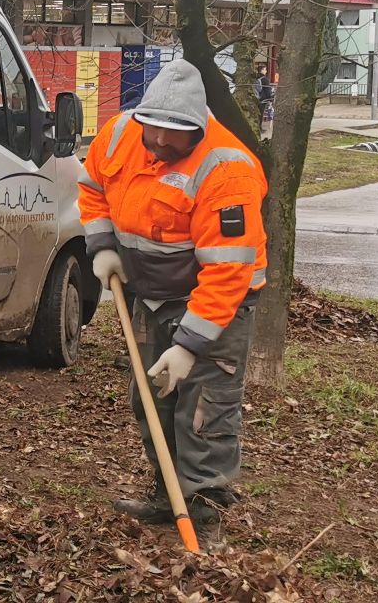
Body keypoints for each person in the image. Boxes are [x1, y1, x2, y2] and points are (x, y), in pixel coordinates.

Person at [78, 58, 268, 542]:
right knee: (151, 399)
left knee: (204, 409)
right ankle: (168, 497)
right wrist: (101, 247)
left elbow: (228, 271)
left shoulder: (228, 171)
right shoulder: (121, 133)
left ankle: (203, 514)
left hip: (215, 303)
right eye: (154, 129)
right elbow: (92, 188)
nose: (160, 141)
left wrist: (188, 345)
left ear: (199, 129)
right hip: (149, 295)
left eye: (175, 134)